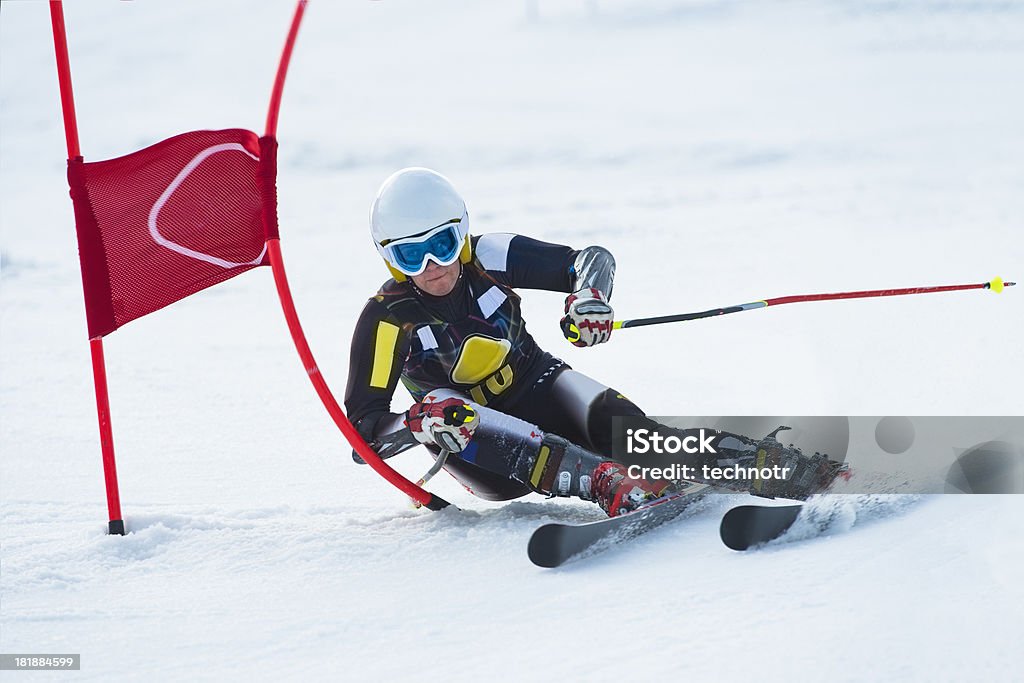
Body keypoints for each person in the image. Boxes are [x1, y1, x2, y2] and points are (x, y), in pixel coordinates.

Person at [344, 168, 845, 516]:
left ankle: (790, 470)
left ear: (464, 232)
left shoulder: (489, 256)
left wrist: (588, 300)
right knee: (441, 406)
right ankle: (606, 484)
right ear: (389, 259)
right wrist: (414, 424)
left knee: (635, 434)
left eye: (443, 245)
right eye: (412, 256)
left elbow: (590, 258)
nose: (434, 267)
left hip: (537, 385)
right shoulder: (386, 318)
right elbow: (363, 434)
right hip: (485, 455)